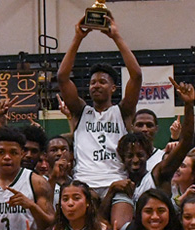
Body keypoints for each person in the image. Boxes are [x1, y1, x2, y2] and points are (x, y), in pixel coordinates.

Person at [57, 16, 142, 200]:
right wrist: (77, 38)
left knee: (124, 228)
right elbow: (62, 77)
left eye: (102, 82)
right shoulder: (81, 111)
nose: (96, 85)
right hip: (86, 185)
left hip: (117, 181)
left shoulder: (122, 111)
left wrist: (116, 37)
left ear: (113, 88)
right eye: (93, 82)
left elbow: (136, 76)